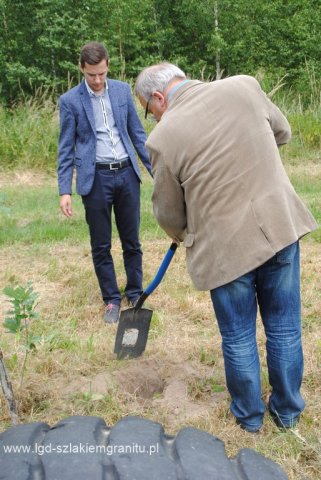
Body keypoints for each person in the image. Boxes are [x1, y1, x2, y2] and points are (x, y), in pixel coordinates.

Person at [134, 63, 318, 432]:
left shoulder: (163, 137)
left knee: (237, 335)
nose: (152, 118)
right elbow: (282, 132)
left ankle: (249, 418)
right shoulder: (244, 87)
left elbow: (169, 212)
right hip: (278, 228)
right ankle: (287, 413)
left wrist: (183, 232)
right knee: (284, 328)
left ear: (158, 97)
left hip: (224, 249)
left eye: (148, 110)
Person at [58, 42, 152, 324]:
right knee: (101, 244)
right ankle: (111, 300)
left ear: (107, 65)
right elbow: (66, 148)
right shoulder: (70, 101)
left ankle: (135, 293)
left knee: (131, 240)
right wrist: (65, 190)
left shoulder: (123, 91)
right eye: (91, 75)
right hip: (95, 178)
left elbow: (138, 134)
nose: (97, 80)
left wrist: (157, 171)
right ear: (82, 70)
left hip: (126, 174)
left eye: (100, 74)